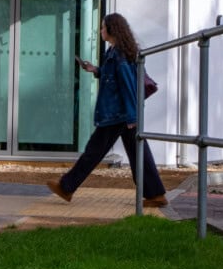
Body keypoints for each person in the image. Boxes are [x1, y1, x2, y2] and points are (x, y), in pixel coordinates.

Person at [47, 12, 168, 208]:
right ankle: (156, 194)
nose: (100, 30)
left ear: (112, 30)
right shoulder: (114, 53)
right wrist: (96, 70)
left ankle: (67, 187)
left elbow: (128, 86)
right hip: (121, 115)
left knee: (93, 152)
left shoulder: (119, 55)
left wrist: (132, 116)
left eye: (103, 27)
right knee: (139, 153)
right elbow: (113, 78)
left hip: (118, 115)